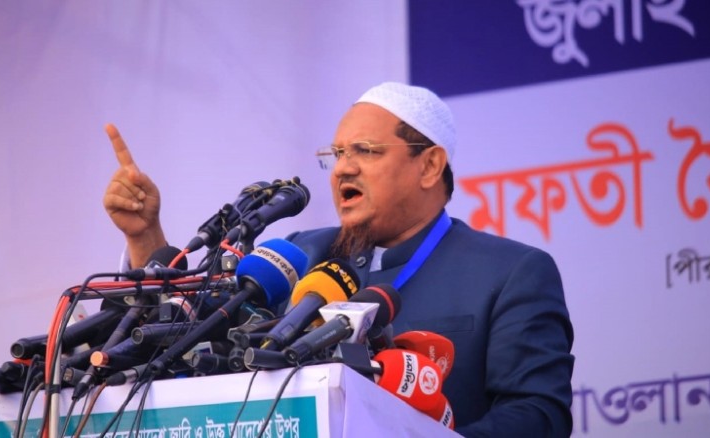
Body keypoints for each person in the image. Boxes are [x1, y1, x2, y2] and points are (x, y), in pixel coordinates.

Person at [103, 82, 575, 437]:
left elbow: (538, 416)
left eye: (365, 151)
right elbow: (194, 336)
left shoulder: (509, 271)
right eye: (337, 154)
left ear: (430, 165)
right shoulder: (299, 254)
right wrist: (146, 238)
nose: (343, 168)